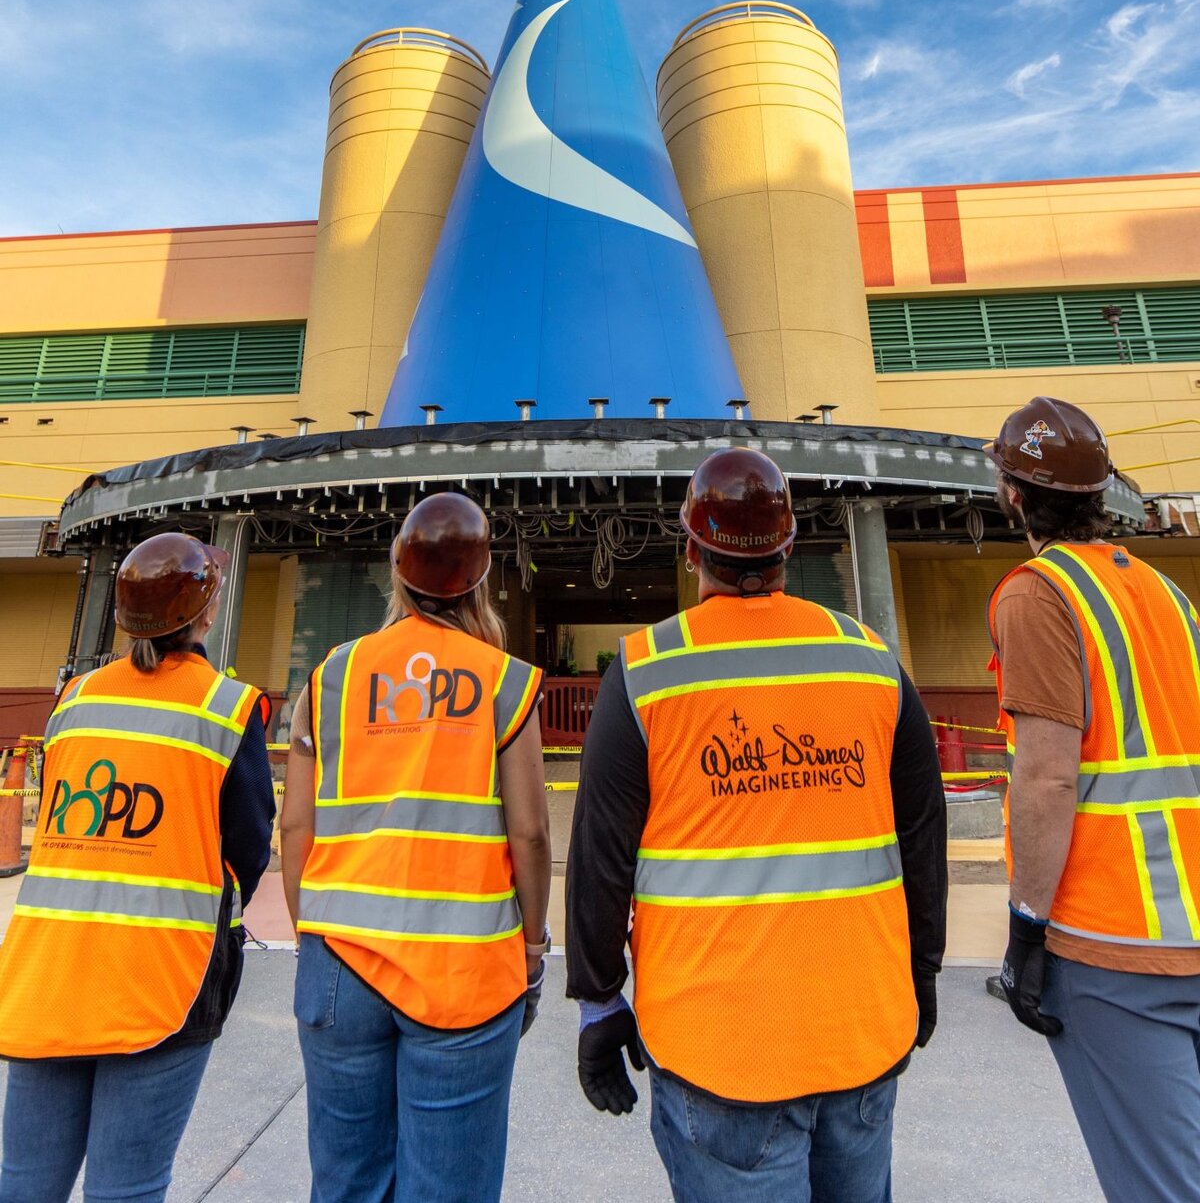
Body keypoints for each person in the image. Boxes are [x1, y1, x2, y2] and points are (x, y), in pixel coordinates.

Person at [566, 448, 946, 1202]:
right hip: (861, 1031)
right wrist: (923, 969)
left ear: (689, 549)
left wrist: (599, 1001)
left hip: (718, 1047)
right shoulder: (871, 662)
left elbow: (600, 856)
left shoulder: (645, 671)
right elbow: (923, 835)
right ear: (789, 547)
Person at [280, 491, 551, 1203]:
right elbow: (529, 831)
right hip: (464, 970)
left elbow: (294, 827)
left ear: (397, 573)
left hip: (339, 959)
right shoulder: (503, 680)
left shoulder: (331, 675)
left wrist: (309, 928)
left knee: (344, 1183)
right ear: (481, 578)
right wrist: (532, 945)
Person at [0, 531, 274, 1203]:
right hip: (163, 978)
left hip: (51, 972)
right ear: (205, 613)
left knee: (24, 1184)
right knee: (128, 1187)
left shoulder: (76, 698)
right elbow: (249, 846)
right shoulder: (226, 705)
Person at [988, 396, 1200, 1202]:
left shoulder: (1037, 594)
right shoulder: (1165, 592)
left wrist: (1026, 927)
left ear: (1013, 493)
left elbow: (1046, 774)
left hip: (1116, 936)